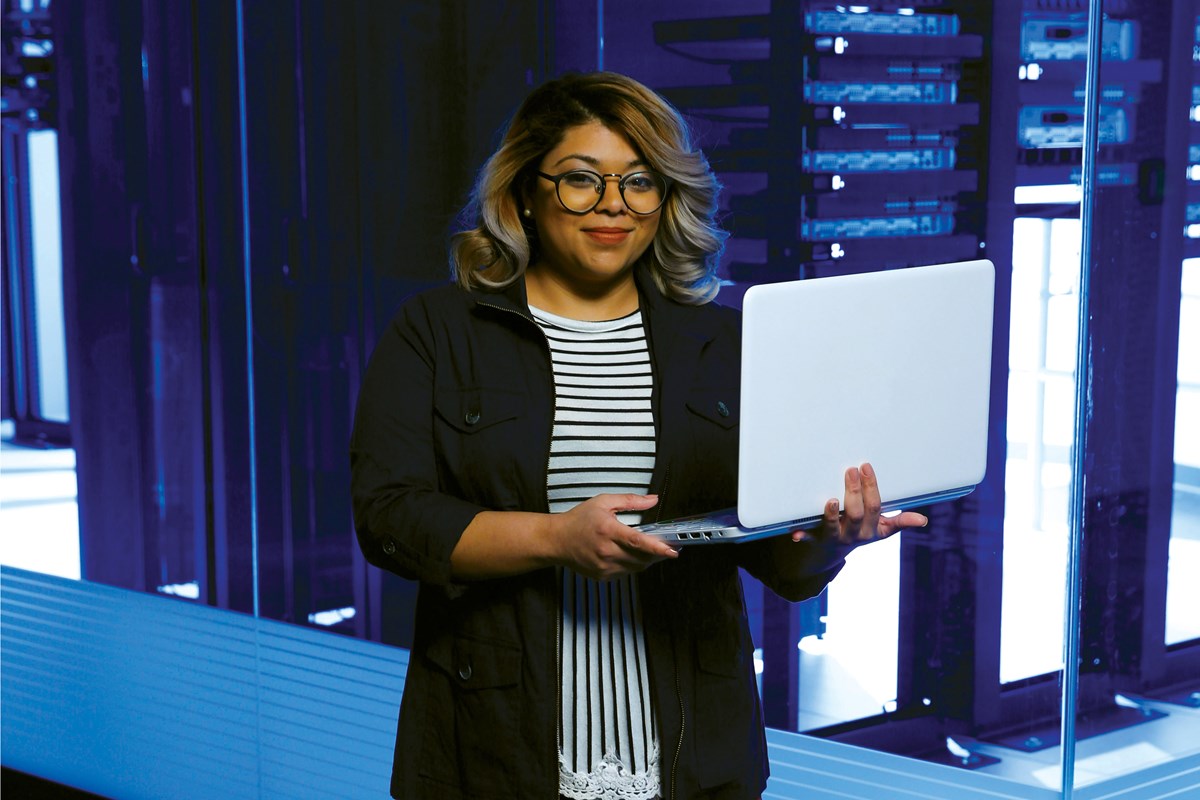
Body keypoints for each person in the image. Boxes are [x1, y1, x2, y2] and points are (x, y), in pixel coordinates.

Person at [350, 71, 928, 800]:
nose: (614, 205)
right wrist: (556, 539)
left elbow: (777, 563)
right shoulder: (436, 331)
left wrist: (830, 540)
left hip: (694, 757)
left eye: (640, 181)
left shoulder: (727, 342)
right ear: (526, 191)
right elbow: (391, 520)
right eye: (582, 180)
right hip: (495, 751)